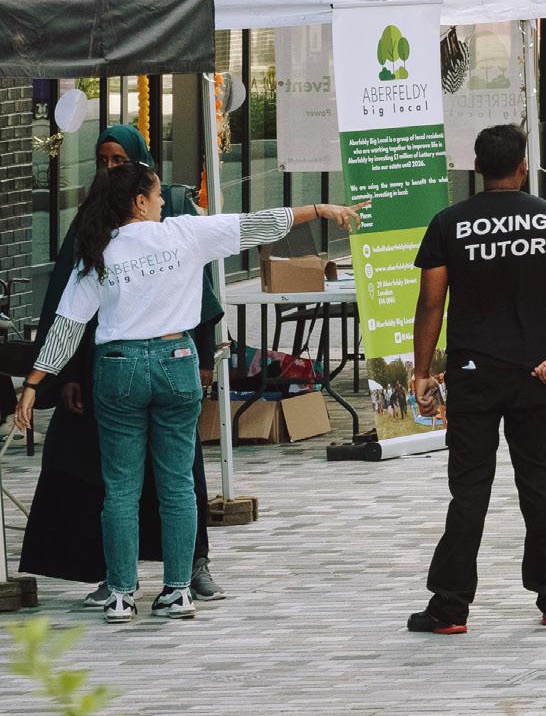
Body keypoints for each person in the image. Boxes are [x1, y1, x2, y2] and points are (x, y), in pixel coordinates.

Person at [11, 161, 356, 622]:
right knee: (177, 484)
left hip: (117, 366)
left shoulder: (97, 250)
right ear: (139, 202)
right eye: (156, 196)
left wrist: (34, 384)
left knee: (120, 487)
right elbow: (258, 224)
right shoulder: (185, 234)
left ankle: (120, 593)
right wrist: (319, 209)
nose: (162, 203)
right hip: (177, 361)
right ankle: (177, 591)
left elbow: (67, 326)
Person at [21, 123, 230, 603]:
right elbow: (71, 310)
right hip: (117, 365)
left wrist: (203, 355)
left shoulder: (170, 207)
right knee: (119, 479)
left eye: (120, 160)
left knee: (173, 477)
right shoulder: (93, 220)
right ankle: (123, 577)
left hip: (153, 362)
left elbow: (198, 291)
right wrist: (67, 376)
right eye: (103, 160)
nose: (110, 168)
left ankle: (187, 567)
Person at [407, 123, 546, 636]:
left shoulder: (449, 222)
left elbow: (431, 303)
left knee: (469, 489)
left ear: (477, 168)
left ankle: (450, 608)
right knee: (541, 484)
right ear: (522, 167)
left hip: (473, 373)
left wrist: (421, 372)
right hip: (536, 371)